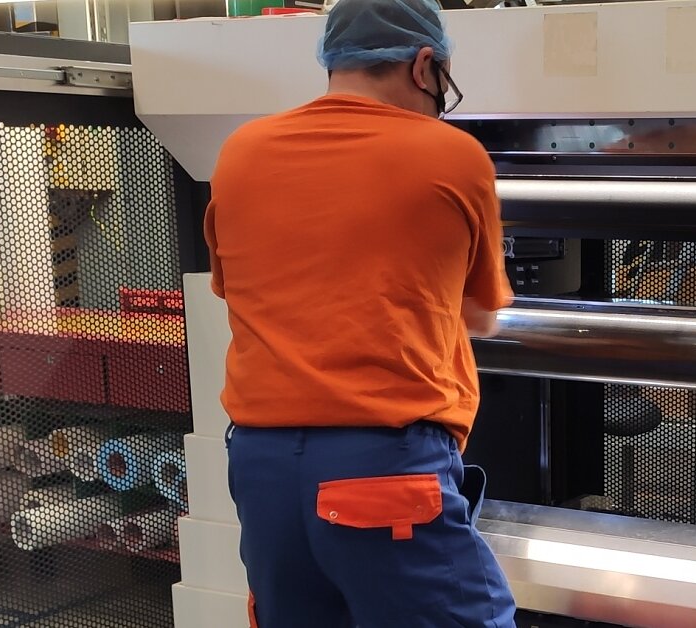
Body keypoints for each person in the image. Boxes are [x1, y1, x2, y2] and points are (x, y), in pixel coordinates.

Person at [203, 0, 516, 625]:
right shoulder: (451, 155)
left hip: (262, 474)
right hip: (382, 471)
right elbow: (481, 315)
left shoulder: (240, 151)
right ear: (426, 65)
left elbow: (235, 287)